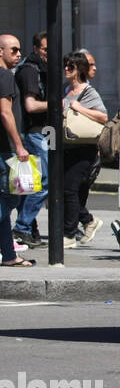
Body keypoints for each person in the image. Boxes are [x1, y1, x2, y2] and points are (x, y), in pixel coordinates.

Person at [60, 51, 108, 249]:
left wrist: (79, 108)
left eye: (70, 67)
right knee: (64, 190)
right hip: (67, 146)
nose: (66, 70)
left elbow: (103, 116)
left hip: (84, 148)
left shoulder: (88, 92)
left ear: (79, 70)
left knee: (69, 190)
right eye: (65, 66)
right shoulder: (66, 90)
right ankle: (88, 221)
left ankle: (69, 234)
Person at [0, 34, 34, 266]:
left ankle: (9, 255)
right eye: (13, 50)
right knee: (11, 200)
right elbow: (5, 112)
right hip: (6, 150)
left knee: (5, 201)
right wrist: (19, 146)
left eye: (19, 49)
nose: (19, 54)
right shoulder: (4, 77)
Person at [13, 31, 49, 249]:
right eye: (45, 49)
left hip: (41, 131)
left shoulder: (38, 68)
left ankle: (28, 229)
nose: (49, 54)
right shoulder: (30, 69)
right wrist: (57, 103)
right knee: (43, 182)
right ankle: (23, 227)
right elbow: (31, 105)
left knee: (28, 184)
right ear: (36, 49)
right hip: (35, 132)